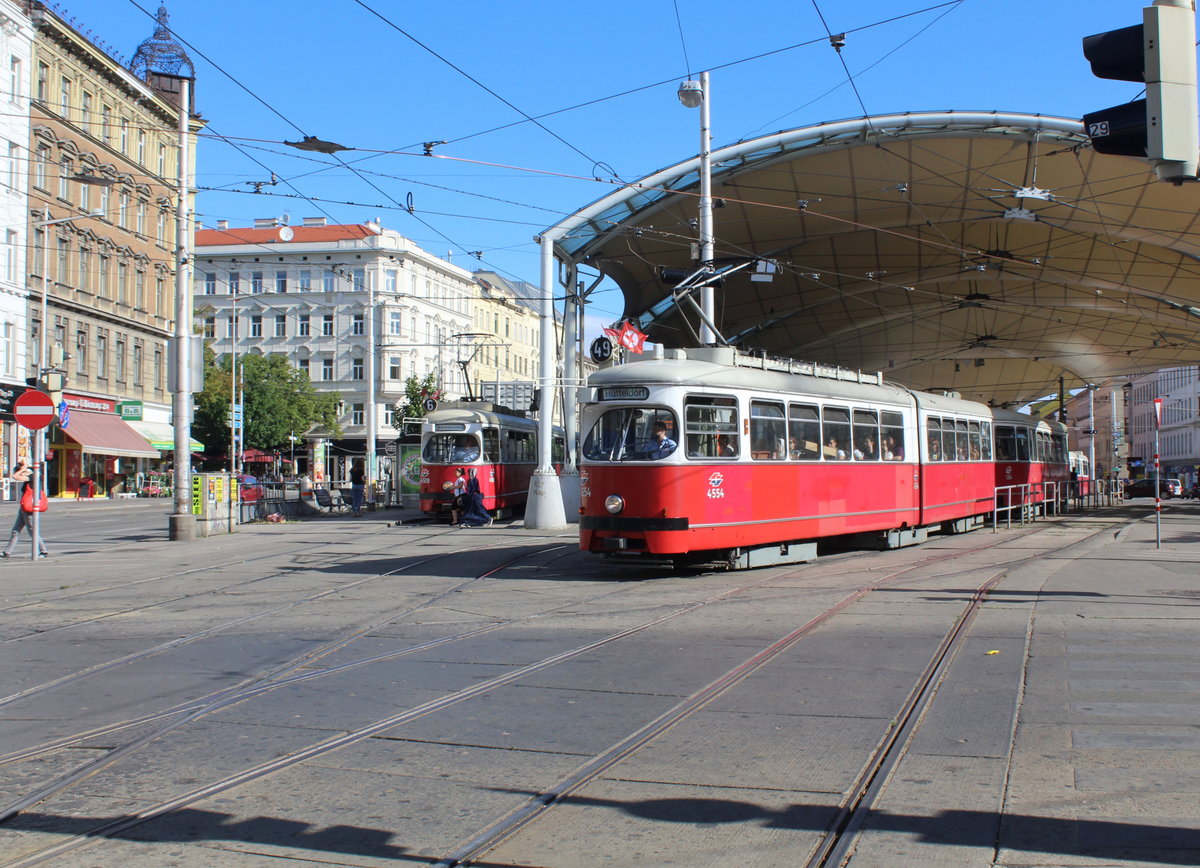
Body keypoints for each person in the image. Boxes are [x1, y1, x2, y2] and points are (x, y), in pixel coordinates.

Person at [2, 461, 48, 560]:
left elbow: (15, 476)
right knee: (15, 531)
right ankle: (7, 552)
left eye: (22, 472)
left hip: (29, 508)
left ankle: (43, 551)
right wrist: (23, 468)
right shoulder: (31, 477)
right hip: (24, 507)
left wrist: (22, 469)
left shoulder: (32, 477)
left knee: (32, 531)